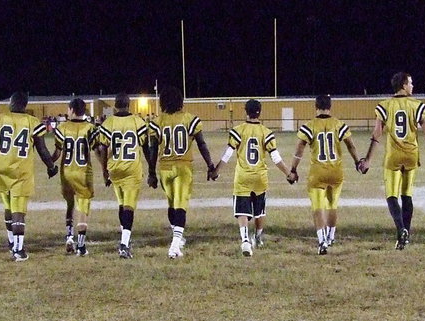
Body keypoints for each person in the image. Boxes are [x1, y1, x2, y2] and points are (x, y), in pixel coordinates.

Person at [358, 72, 425, 249]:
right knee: (407, 195)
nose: (413, 86)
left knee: (391, 196)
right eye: (410, 83)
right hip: (411, 154)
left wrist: (368, 159)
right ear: (403, 85)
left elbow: (377, 133)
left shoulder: (385, 105)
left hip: (393, 155)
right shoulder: (416, 105)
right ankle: (406, 233)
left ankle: (401, 230)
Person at [0, 91, 58, 262]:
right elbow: (42, 149)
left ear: (11, 102)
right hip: (21, 171)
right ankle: (18, 249)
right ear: (25, 105)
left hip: (2, 169)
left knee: (8, 208)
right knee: (18, 211)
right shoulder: (32, 122)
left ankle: (11, 241)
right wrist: (51, 166)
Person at [213, 99, 292, 256]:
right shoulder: (266, 132)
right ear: (259, 112)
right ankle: (258, 237)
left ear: (245, 111)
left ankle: (245, 241)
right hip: (260, 176)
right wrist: (288, 173)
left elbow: (228, 154)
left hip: (243, 176)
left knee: (242, 210)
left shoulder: (239, 130)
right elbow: (275, 157)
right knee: (260, 211)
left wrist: (216, 170)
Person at [147, 86, 216, 259]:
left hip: (165, 168)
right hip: (183, 166)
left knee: (171, 204)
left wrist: (151, 173)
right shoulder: (189, 119)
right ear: (180, 101)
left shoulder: (158, 121)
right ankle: (175, 246)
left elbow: (153, 149)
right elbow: (201, 144)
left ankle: (177, 239)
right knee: (180, 206)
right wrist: (210, 165)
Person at [288, 95, 361, 255]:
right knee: (332, 205)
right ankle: (331, 236)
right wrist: (357, 162)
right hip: (336, 171)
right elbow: (351, 145)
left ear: (316, 106)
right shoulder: (338, 124)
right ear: (330, 106)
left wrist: (293, 169)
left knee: (318, 207)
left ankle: (322, 241)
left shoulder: (310, 126)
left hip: (317, 173)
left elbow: (299, 149)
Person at [97, 92, 153, 259]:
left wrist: (105, 172)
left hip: (115, 168)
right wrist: (151, 170)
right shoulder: (137, 121)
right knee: (128, 206)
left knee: (121, 203)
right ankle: (124, 244)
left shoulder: (109, 123)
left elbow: (102, 149)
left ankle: (125, 239)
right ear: (129, 105)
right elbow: (145, 147)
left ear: (115, 105)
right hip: (131, 168)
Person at [51, 98, 103, 256]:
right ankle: (81, 246)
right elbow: (98, 151)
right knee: (83, 207)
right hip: (83, 172)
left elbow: (58, 153)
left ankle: (69, 237)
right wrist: (105, 169)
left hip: (66, 171)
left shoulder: (62, 127)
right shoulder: (90, 128)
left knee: (69, 204)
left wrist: (49, 163)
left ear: (72, 110)